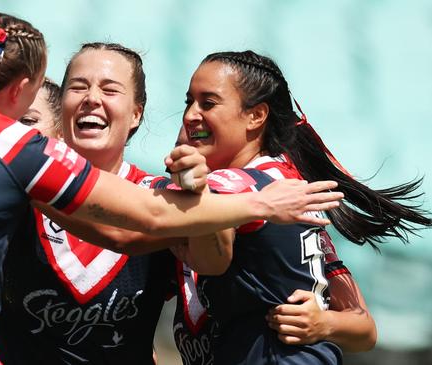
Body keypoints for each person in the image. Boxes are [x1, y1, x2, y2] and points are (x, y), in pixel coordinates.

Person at [0, 11, 342, 365]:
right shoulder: (17, 169)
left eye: (110, 89)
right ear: (51, 101)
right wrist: (253, 202)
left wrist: (202, 190)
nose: (91, 99)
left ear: (138, 113)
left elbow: (211, 262)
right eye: (78, 86)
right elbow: (138, 227)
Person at [170, 50, 432, 364]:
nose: (190, 115)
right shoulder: (291, 190)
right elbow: (363, 327)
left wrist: (192, 187)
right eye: (189, 102)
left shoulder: (233, 185)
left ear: (256, 116)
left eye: (207, 103)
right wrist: (325, 322)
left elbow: (209, 260)